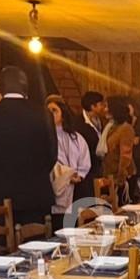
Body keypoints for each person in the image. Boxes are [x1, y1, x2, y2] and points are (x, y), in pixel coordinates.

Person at [0, 66, 57, 224]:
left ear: (2, 88)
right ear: (25, 87)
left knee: (0, 247)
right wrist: (34, 176)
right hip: (35, 196)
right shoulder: (43, 115)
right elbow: (51, 155)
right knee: (35, 245)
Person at [45, 95, 91, 224]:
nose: (50, 114)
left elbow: (84, 157)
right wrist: (65, 175)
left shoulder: (75, 137)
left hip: (76, 188)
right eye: (47, 111)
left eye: (54, 110)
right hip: (56, 189)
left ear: (63, 114)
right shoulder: (44, 137)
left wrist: (79, 175)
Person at [102, 95, 137, 202]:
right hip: (109, 176)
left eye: (107, 106)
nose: (105, 109)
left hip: (121, 179)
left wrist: (120, 178)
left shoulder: (126, 128)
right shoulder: (110, 126)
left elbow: (125, 156)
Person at [79, 90, 107, 188]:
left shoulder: (103, 120)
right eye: (101, 104)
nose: (103, 107)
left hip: (101, 168)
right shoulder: (79, 124)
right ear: (92, 106)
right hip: (88, 170)